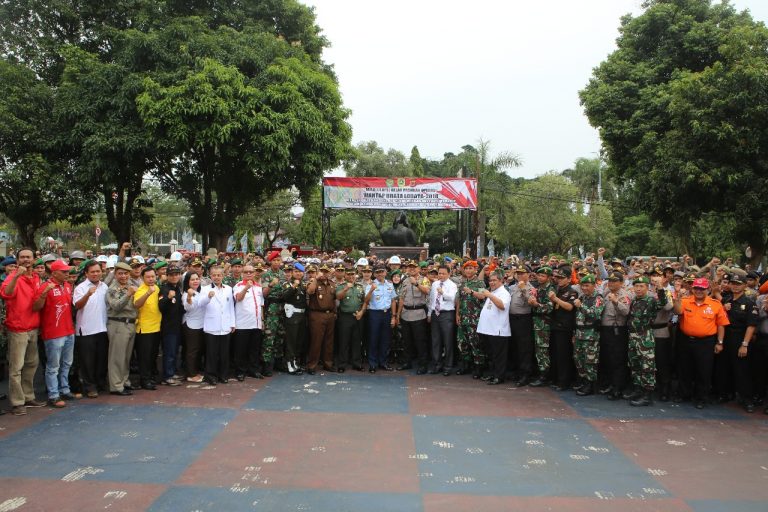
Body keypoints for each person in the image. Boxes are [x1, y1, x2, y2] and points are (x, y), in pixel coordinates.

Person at [674, 277, 730, 409]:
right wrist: (676, 300)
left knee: (704, 371)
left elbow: (721, 325)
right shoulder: (685, 301)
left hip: (706, 342)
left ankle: (701, 398)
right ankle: (684, 394)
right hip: (686, 340)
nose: (699, 291)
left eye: (702, 289)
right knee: (684, 368)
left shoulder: (716, 304)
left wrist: (720, 342)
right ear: (692, 289)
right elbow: (677, 311)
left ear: (707, 289)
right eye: (696, 288)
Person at [0, 248, 44, 415]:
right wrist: (17, 275)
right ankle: (17, 402)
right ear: (17, 260)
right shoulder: (13, 277)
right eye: (23, 257)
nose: (26, 260)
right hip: (17, 329)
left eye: (29, 257)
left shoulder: (36, 277)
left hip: (33, 327)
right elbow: (5, 293)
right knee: (16, 368)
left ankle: (28, 396)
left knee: (31, 364)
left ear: (34, 259)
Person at [32, 259, 75, 408]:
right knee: (53, 366)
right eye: (64, 272)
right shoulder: (46, 286)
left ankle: (64, 389)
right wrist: (43, 294)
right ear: (54, 272)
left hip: (69, 330)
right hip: (54, 333)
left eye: (67, 271)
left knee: (67, 363)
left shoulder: (68, 286)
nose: (67, 273)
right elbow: (36, 307)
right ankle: (53, 394)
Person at [718, 270, 758, 412]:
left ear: (745, 285)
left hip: (740, 338)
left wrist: (745, 344)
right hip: (726, 338)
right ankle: (726, 394)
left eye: (738, 284)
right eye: (733, 283)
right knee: (725, 368)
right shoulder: (727, 300)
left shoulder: (749, 303)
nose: (735, 286)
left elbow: (751, 325)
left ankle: (747, 399)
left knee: (742, 371)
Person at [624, 275, 667, 406]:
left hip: (644, 337)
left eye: (641, 286)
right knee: (635, 364)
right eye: (636, 286)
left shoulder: (651, 300)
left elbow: (662, 303)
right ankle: (638, 390)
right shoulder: (635, 301)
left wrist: (660, 289)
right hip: (633, 336)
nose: (638, 289)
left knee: (647, 366)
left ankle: (647, 395)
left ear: (647, 288)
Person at [73, 260, 109, 398]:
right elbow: (77, 305)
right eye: (92, 272)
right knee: (87, 361)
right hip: (86, 330)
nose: (95, 274)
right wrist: (87, 294)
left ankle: (100, 384)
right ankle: (90, 387)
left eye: (98, 271)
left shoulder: (104, 286)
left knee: (101, 359)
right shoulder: (80, 288)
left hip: (102, 329)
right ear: (86, 273)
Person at [199, 266, 236, 385]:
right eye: (214, 275)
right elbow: (200, 304)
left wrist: (232, 323)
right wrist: (208, 297)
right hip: (211, 325)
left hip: (225, 325)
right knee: (211, 353)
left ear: (223, 276)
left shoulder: (228, 289)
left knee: (224, 353)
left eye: (219, 275)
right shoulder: (205, 289)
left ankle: (223, 375)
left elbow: (231, 307)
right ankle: (211, 375)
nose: (217, 277)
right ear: (210, 276)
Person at [105, 261, 137, 396]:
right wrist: (128, 294)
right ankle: (116, 386)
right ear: (115, 274)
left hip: (131, 323)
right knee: (117, 356)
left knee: (126, 356)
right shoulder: (112, 288)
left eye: (126, 273)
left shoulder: (132, 285)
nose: (123, 276)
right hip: (118, 324)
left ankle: (124, 381)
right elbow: (116, 306)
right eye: (120, 273)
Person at [599, 271, 631, 400]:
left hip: (617, 330)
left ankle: (618, 388)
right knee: (606, 358)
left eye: (614, 281)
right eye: (610, 281)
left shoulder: (624, 294)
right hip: (605, 329)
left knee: (617, 360)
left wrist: (616, 302)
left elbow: (626, 312)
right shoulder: (606, 293)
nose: (611, 283)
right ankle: (609, 384)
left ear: (621, 283)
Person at [476, 271, 511, 385]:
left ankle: (499, 376)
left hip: (498, 330)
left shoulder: (504, 293)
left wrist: (490, 295)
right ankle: (493, 374)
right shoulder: (493, 291)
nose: (491, 283)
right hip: (488, 329)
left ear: (501, 281)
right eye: (490, 280)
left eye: (494, 280)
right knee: (491, 354)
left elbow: (502, 306)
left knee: (499, 355)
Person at [572, 274, 605, 396]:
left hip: (590, 335)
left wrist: (581, 306)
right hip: (580, 333)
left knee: (590, 360)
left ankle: (590, 384)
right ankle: (583, 380)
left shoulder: (598, 298)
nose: (584, 288)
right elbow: (577, 317)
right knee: (578, 358)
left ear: (594, 285)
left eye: (587, 285)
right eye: (582, 285)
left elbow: (595, 314)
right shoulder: (583, 297)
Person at [232, 263, 265, 380]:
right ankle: (240, 372)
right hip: (242, 324)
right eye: (246, 272)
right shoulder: (238, 286)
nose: (249, 274)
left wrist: (262, 320)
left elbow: (261, 305)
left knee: (254, 349)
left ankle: (254, 370)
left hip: (256, 323)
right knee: (241, 350)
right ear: (242, 274)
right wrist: (246, 287)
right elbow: (238, 298)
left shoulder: (258, 287)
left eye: (251, 272)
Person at [396, 261, 430, 374]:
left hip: (419, 313)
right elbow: (401, 298)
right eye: (409, 268)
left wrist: (416, 284)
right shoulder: (404, 281)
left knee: (420, 341)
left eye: (414, 267)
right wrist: (397, 314)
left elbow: (427, 291)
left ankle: (423, 365)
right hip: (406, 313)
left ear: (419, 268)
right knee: (406, 341)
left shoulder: (424, 279)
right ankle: (407, 362)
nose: (411, 269)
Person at [548, 267, 578, 391]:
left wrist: (555, 299)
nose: (559, 280)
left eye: (562, 278)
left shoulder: (572, 291)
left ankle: (564, 381)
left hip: (565, 328)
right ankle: (556, 378)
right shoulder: (557, 289)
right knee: (555, 354)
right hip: (555, 325)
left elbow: (569, 307)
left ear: (569, 279)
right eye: (558, 278)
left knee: (563, 355)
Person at [456, 260, 487, 377]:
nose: (468, 270)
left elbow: (483, 296)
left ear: (476, 270)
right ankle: (466, 365)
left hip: (475, 318)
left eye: (471, 268)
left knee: (476, 343)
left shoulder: (480, 283)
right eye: (466, 268)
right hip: (463, 317)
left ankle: (479, 367)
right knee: (462, 342)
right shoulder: (462, 283)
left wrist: (472, 292)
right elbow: (459, 300)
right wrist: (457, 315)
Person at [364, 265, 398, 372]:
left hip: (387, 313)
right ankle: (373, 364)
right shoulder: (371, 284)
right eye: (377, 272)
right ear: (374, 274)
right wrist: (371, 290)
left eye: (381, 271)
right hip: (375, 314)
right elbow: (366, 300)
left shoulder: (390, 284)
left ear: (385, 273)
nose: (379, 274)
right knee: (373, 338)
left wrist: (393, 316)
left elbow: (393, 300)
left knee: (385, 339)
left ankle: (383, 362)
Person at [306, 264, 338, 374]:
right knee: (316, 341)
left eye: (326, 272)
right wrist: (315, 279)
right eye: (322, 271)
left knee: (329, 341)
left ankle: (327, 364)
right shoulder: (314, 282)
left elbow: (334, 300)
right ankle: (312, 365)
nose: (324, 274)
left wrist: (335, 313)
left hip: (330, 315)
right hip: (317, 314)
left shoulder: (332, 284)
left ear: (329, 273)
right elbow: (310, 291)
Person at [134, 267, 161, 390]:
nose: (151, 279)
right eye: (148, 277)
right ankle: (144, 380)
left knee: (152, 356)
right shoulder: (141, 290)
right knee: (144, 357)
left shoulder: (157, 288)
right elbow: (137, 304)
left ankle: (150, 377)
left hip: (157, 327)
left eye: (153, 276)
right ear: (142, 278)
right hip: (144, 329)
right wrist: (147, 293)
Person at [427, 265, 457, 376]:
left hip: (447, 314)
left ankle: (448, 366)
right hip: (435, 314)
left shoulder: (452, 285)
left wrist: (443, 292)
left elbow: (454, 298)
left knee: (448, 341)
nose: (441, 275)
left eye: (443, 273)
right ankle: (437, 364)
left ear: (449, 274)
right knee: (436, 341)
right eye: (439, 273)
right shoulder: (434, 284)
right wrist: (429, 313)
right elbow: (431, 300)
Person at [528, 267, 555, 387]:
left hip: (545, 324)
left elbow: (549, 308)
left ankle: (545, 376)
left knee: (543, 350)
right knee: (538, 349)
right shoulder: (538, 288)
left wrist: (536, 304)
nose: (540, 277)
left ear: (548, 277)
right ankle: (541, 373)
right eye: (539, 275)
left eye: (543, 276)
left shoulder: (551, 289)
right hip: (536, 322)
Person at [336, 267, 366, 372]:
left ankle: (356, 363)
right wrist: (346, 289)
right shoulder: (341, 286)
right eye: (348, 274)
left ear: (356, 275)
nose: (351, 276)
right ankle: (342, 364)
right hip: (345, 316)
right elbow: (338, 297)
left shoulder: (360, 287)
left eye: (353, 274)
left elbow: (365, 301)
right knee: (344, 341)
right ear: (345, 276)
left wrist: (362, 311)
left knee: (357, 341)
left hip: (358, 316)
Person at [261, 251, 286, 375]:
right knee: (269, 337)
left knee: (280, 336)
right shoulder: (266, 275)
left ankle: (278, 362)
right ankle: (267, 364)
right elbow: (264, 294)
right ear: (270, 261)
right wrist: (270, 285)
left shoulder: (283, 274)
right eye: (274, 260)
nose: (277, 262)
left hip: (282, 308)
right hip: (271, 308)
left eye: (278, 260)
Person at [158, 266, 184, 386]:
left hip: (177, 325)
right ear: (167, 276)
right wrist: (168, 298)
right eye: (172, 274)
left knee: (174, 351)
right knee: (169, 352)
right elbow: (161, 307)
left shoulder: (178, 288)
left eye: (176, 274)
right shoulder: (164, 289)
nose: (174, 276)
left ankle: (172, 372)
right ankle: (167, 376)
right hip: (168, 326)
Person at [281, 263, 308, 375]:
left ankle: (295, 362)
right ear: (292, 273)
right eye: (296, 272)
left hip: (302, 315)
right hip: (292, 316)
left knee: (298, 341)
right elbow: (284, 296)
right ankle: (289, 363)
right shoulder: (288, 284)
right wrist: (293, 287)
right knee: (291, 341)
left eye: (300, 272)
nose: (298, 274)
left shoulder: (303, 285)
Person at [182, 271, 205, 383]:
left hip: (201, 324)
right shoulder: (186, 294)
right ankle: (191, 374)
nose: (195, 281)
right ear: (187, 282)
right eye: (192, 279)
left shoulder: (200, 292)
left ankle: (195, 371)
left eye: (197, 279)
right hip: (191, 325)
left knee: (198, 350)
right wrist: (189, 297)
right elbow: (188, 307)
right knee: (192, 351)